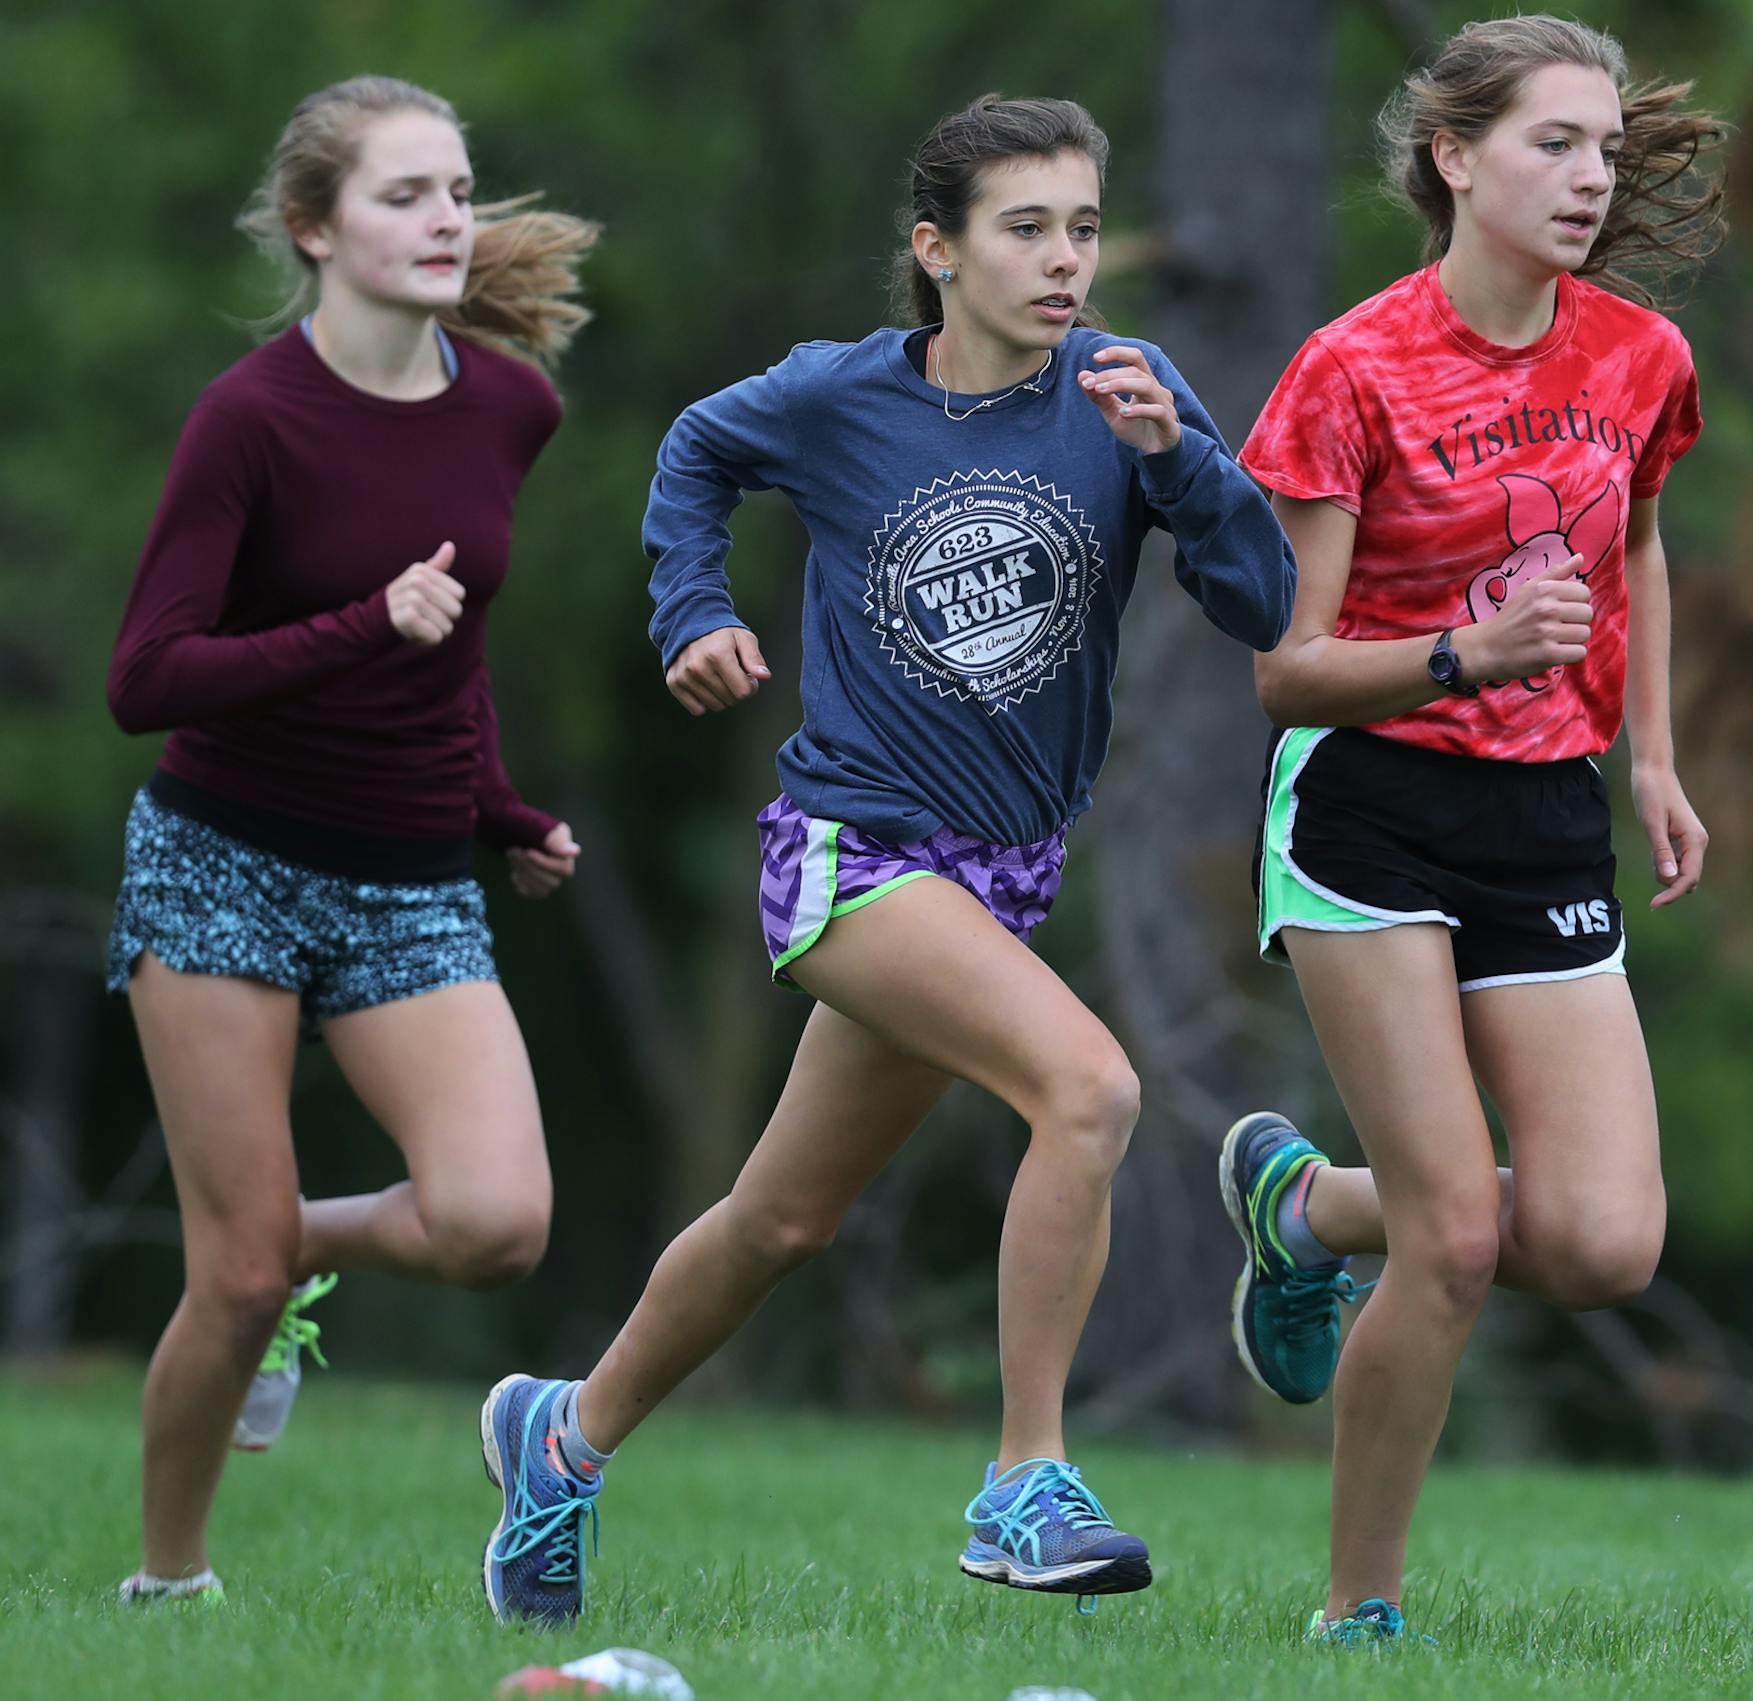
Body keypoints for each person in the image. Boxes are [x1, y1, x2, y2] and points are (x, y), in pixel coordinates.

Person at [477, 93, 1295, 1627]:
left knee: (783, 1220)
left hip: (1002, 878)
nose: (1067, 261)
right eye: (1026, 229)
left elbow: (1261, 601)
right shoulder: (835, 397)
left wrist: (1178, 458)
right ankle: (1025, 1480)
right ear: (937, 250)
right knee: (1092, 1088)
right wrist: (690, 611)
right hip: (850, 854)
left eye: (1085, 227)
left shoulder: (1130, 393)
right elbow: (694, 453)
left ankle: (562, 1438)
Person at [1215, 16, 1726, 1644]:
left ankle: (1307, 1209)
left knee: (1594, 1239)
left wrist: (1650, 752)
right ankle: (1359, 1618)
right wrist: (1461, 653)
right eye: (1551, 144)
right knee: (1453, 1237)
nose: (1591, 177)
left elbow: (1635, 543)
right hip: (1367, 799)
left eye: (1602, 149)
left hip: (1544, 809)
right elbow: (1285, 674)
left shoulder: (1640, 357)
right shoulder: (1351, 368)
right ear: (1455, 159)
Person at [104, 75, 596, 1605]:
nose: (449, 216)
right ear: (315, 229)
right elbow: (147, 678)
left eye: (457, 187)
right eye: (405, 194)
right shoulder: (249, 419)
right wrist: (355, 622)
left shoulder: (512, 402)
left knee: (497, 1221)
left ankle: (289, 1245)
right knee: (231, 1277)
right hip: (221, 863)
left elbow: (454, 653)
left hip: (408, 875)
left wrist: (500, 812)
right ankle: (169, 1585)